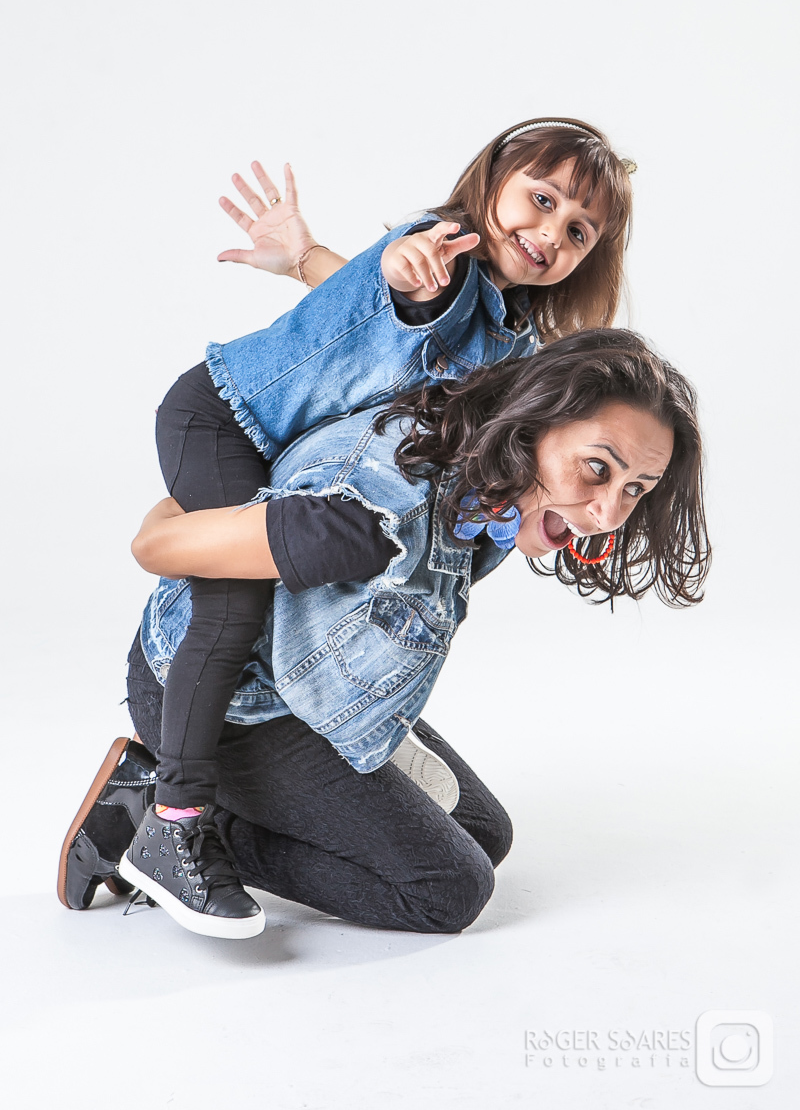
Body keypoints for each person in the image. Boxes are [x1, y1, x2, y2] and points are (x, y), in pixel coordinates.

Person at [116, 118, 637, 937]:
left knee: (484, 835)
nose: (551, 233)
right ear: (490, 181)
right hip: (222, 418)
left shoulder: (512, 335)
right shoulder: (440, 261)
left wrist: (306, 256)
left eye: (578, 231)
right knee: (233, 600)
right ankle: (172, 816)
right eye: (541, 200)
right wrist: (402, 267)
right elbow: (408, 292)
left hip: (297, 454)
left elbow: (384, 331)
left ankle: (248, 768)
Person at [60, 329, 710, 936]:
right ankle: (147, 817)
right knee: (448, 888)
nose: (608, 513)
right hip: (226, 708)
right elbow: (163, 546)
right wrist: (177, 507)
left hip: (310, 686)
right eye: (598, 468)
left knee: (485, 832)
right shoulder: (373, 517)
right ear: (534, 420)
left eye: (636, 489)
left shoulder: (489, 479)